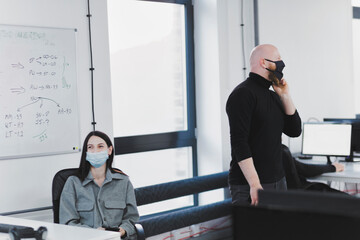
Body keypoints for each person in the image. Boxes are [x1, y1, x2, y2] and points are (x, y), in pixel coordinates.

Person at [226, 44, 302, 205]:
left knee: (277, 231)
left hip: (277, 180)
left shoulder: (273, 96)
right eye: (278, 59)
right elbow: (239, 143)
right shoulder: (242, 94)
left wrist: (285, 95)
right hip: (251, 185)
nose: (282, 63)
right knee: (254, 231)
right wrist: (254, 184)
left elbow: (295, 130)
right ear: (264, 63)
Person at [59, 131, 139, 239]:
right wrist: (94, 233)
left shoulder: (124, 182)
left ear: (109, 150)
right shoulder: (73, 183)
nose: (95, 151)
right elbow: (67, 223)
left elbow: (132, 218)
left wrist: (123, 230)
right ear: (86, 152)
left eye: (100, 146)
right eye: (90, 147)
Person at [281, 144, 346, 193]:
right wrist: (333, 167)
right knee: (349, 199)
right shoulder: (282, 150)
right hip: (304, 194)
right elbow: (306, 170)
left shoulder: (273, 152)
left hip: (287, 197)